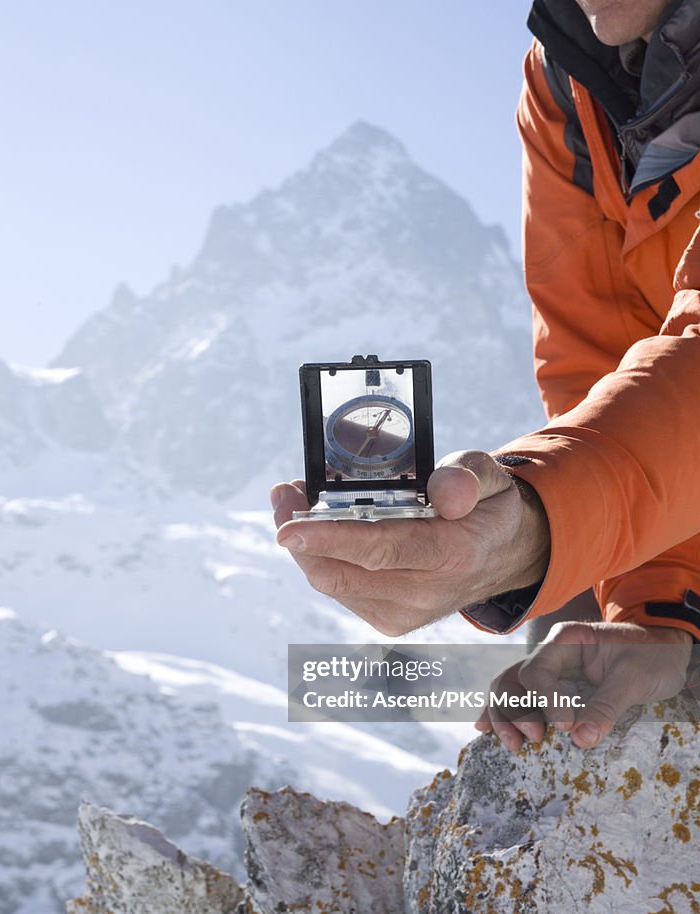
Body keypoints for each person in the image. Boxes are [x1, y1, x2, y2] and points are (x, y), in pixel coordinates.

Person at [271, 0, 700, 753]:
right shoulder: (568, 78)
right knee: (571, 639)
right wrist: (657, 611)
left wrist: (535, 524)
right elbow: (601, 361)